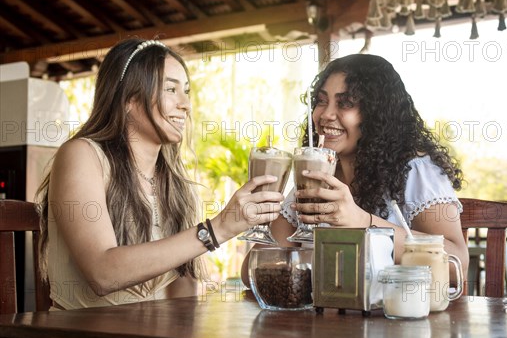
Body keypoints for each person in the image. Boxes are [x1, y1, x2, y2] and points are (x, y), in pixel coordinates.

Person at [36, 38, 284, 310]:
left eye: (186, 91)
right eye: (170, 89)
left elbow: (181, 287)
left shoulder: (173, 181)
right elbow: (102, 273)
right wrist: (219, 229)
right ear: (129, 98)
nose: (185, 104)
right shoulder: (82, 155)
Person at [242, 54, 468, 285]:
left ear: (377, 114)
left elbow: (455, 264)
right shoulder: (314, 174)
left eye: (346, 103)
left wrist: (360, 221)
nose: (326, 115)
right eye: (321, 101)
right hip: (327, 318)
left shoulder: (416, 170)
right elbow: (254, 270)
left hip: (397, 317)